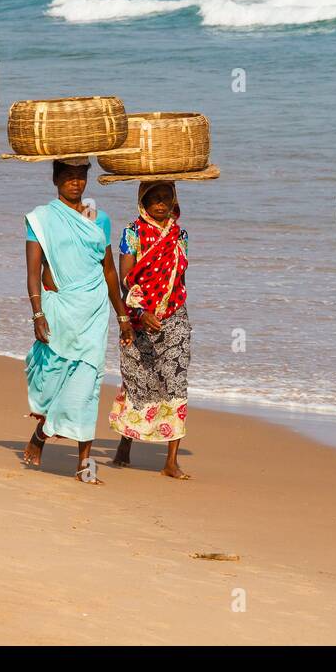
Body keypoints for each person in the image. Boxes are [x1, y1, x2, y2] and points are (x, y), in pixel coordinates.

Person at [21, 158, 133, 483]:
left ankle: (84, 464)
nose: (75, 183)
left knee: (88, 386)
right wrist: (37, 313)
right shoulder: (41, 219)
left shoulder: (101, 220)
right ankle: (41, 433)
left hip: (94, 312)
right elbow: (32, 272)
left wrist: (122, 314)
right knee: (55, 378)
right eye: (68, 177)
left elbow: (109, 270)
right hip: (60, 309)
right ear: (56, 179)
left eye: (80, 177)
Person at [108, 180, 193, 479]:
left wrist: (169, 308)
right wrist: (140, 313)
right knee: (138, 381)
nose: (160, 203)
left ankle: (170, 461)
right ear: (142, 201)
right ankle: (125, 444)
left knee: (175, 382)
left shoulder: (179, 234)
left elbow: (177, 277)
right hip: (139, 318)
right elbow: (125, 279)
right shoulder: (132, 233)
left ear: (174, 200)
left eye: (165, 197)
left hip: (175, 318)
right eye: (153, 198)